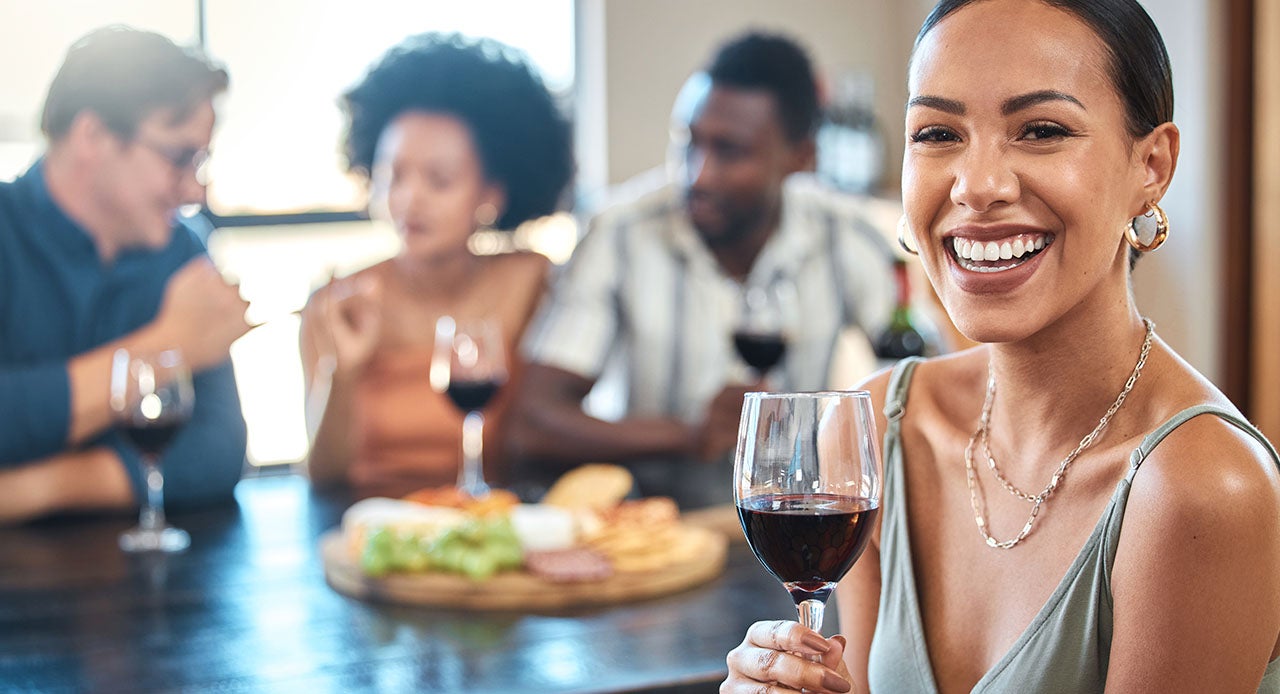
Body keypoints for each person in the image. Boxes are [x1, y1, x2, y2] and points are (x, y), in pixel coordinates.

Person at [723, 0, 1280, 692]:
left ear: (1152, 165)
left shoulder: (1201, 489)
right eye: (937, 133)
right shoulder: (883, 430)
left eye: (1041, 130)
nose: (977, 186)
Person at [509, 32, 896, 505]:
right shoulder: (618, 234)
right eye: (689, 142)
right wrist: (689, 435)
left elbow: (919, 387)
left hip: (799, 524)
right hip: (657, 526)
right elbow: (533, 423)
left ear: (801, 157)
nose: (698, 174)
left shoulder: (849, 237)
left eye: (730, 151)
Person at [299, 33, 574, 498]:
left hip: (494, 522)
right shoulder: (338, 303)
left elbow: (550, 432)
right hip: (376, 525)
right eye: (394, 176)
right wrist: (341, 373)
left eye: (439, 180)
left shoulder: (532, 281)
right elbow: (323, 474)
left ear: (491, 194)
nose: (410, 199)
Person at [0, 27, 250, 524]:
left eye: (201, 161)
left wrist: (37, 487)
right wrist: (167, 344)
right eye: (180, 158)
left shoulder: (184, 251)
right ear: (92, 136)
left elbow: (218, 453)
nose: (195, 191)